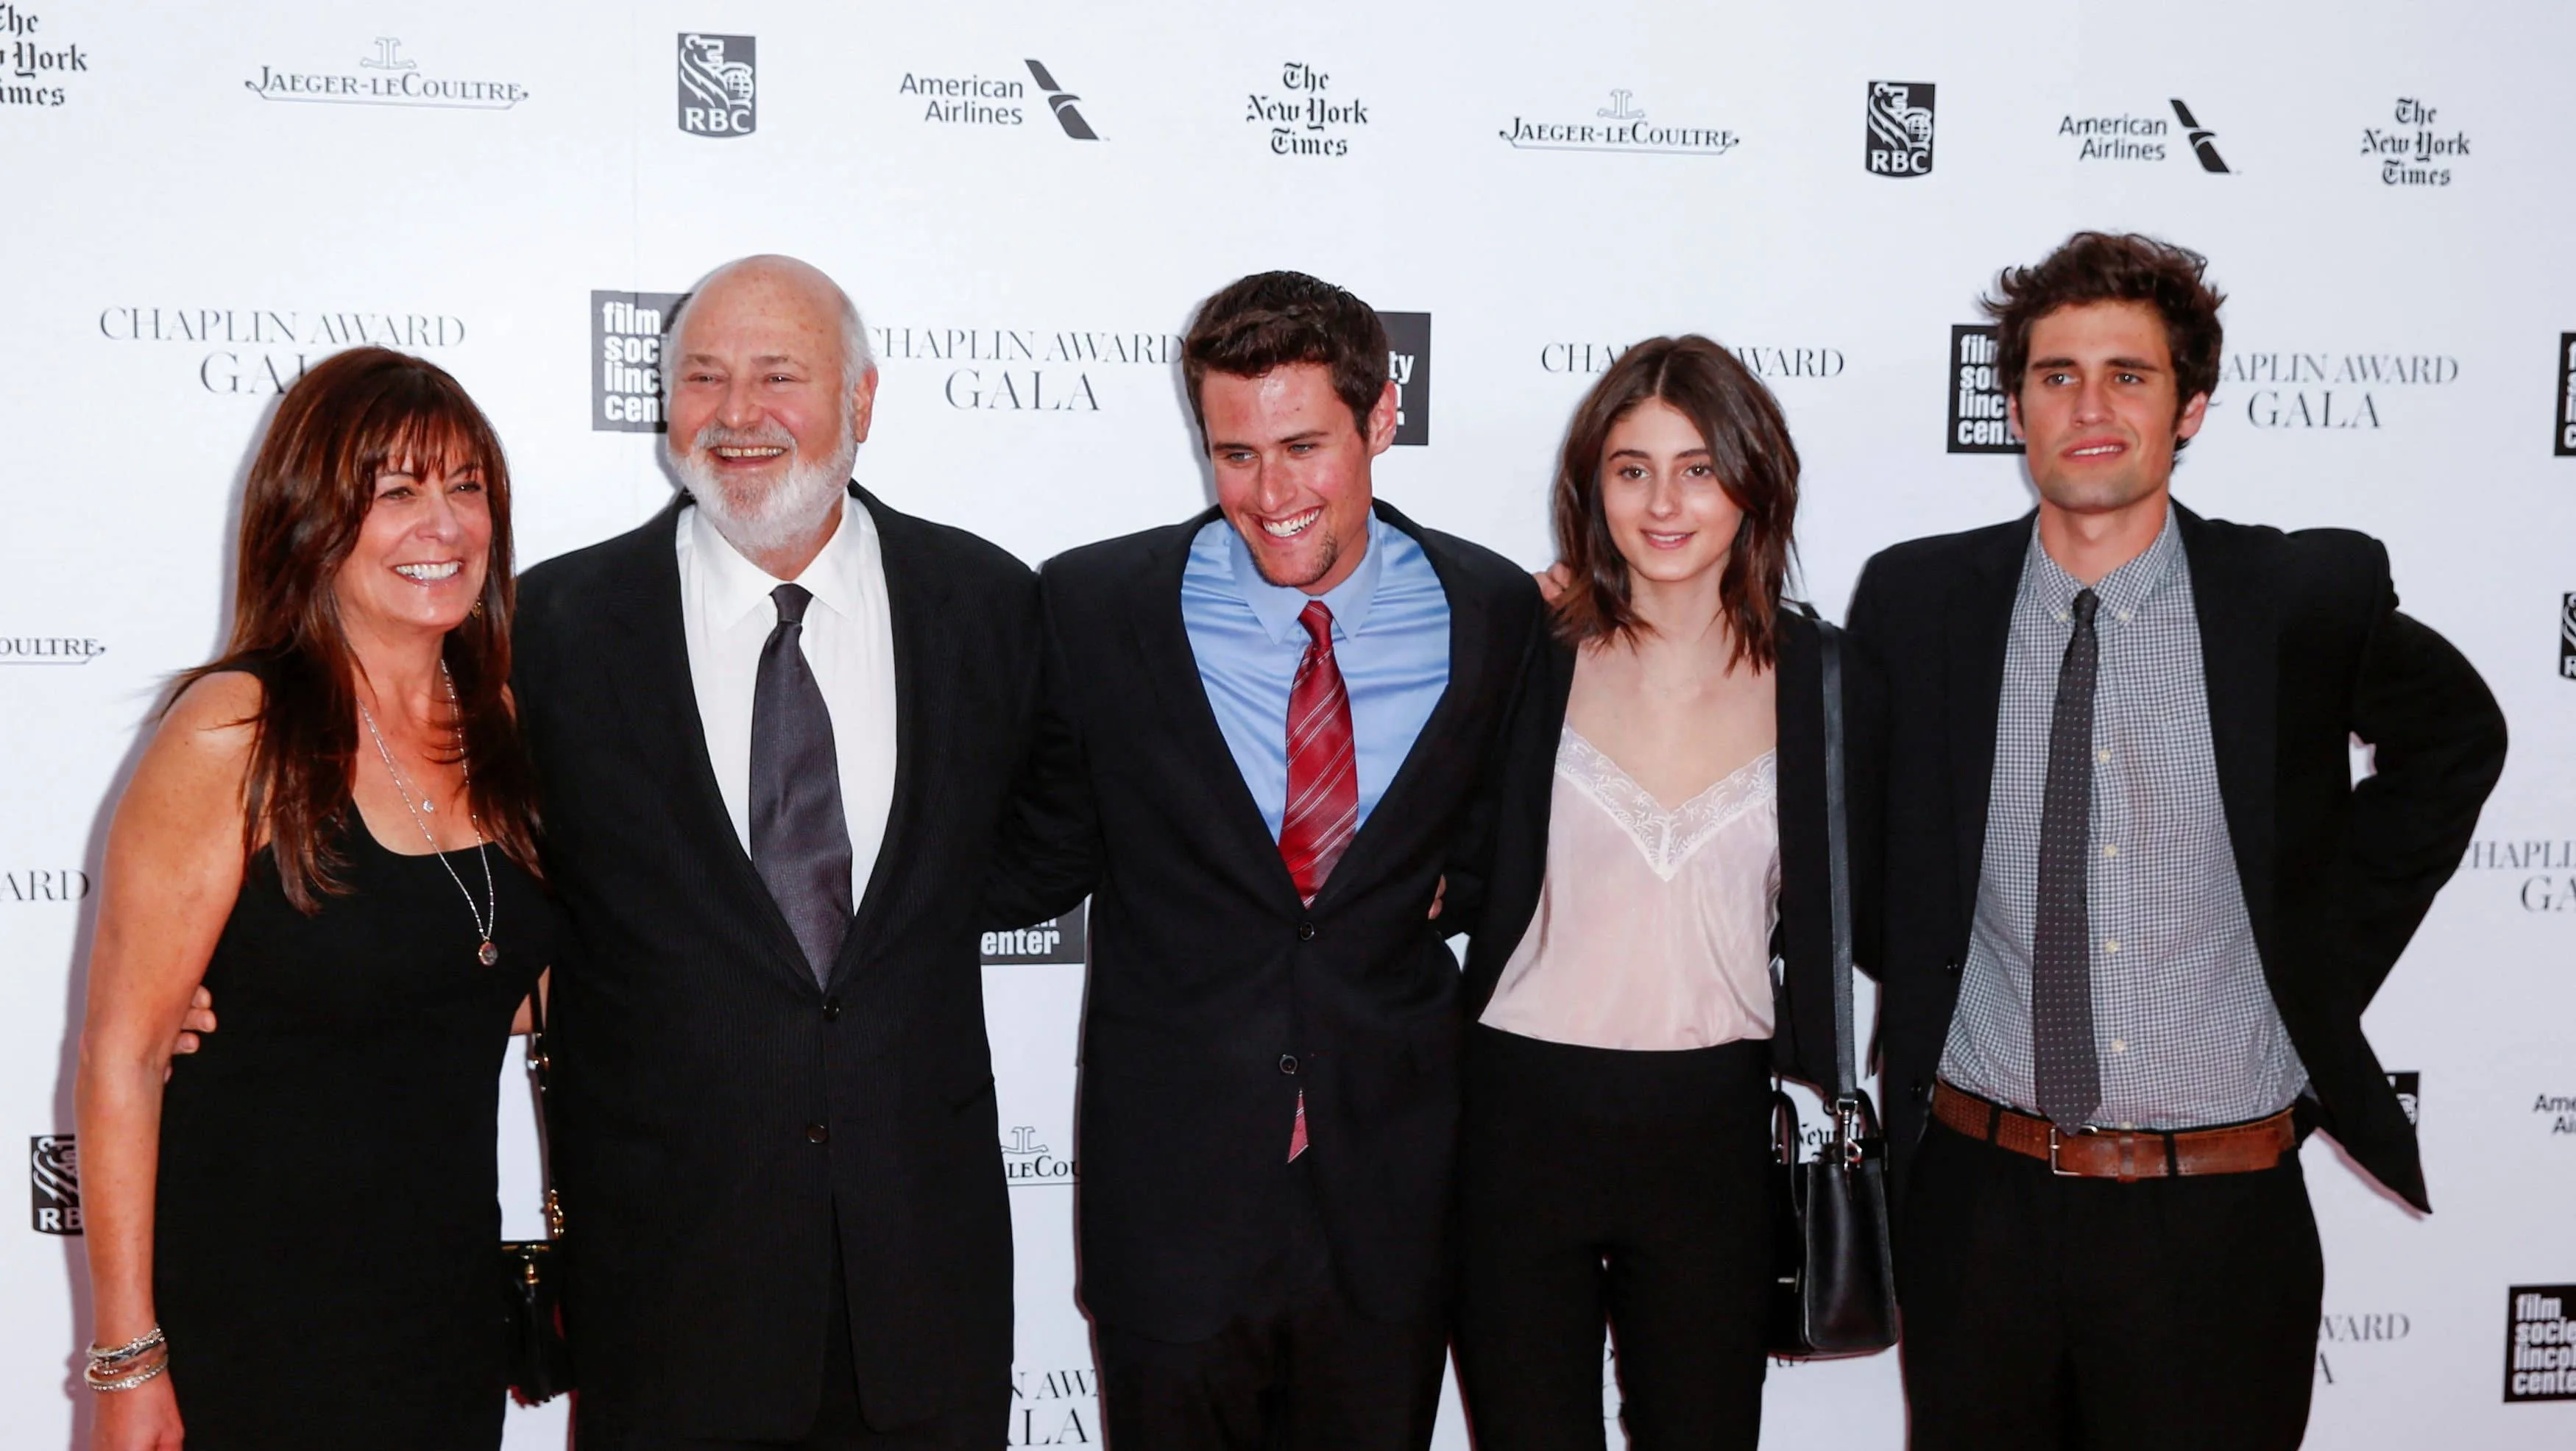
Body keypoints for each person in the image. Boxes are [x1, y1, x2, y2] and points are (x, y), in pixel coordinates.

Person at [1847, 232, 2507, 1450]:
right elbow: (1870, 857)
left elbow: (2459, 744)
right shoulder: (1918, 603)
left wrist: (2308, 946)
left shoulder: (2293, 599)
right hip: (1977, 1210)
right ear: (2014, 407)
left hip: (2217, 1223)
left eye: (2129, 375)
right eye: (2056, 376)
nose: (2089, 406)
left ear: (2190, 405)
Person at [988, 271, 1544, 1450]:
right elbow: (1036, 854)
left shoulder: (1492, 610)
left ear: (1382, 418)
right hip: (1173, 1200)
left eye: (1304, 446)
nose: (1271, 493)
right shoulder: (1094, 607)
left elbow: (1514, 853)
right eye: (1234, 454)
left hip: (1390, 1197)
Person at [510, 255, 1037, 1450]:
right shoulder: (555, 626)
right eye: (702, 377)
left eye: (777, 376)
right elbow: (478, 871)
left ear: (861, 401)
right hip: (669, 1275)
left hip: (923, 1274)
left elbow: (1039, 848)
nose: (737, 415)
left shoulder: (988, 604)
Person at [75, 346, 559, 1450]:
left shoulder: (502, 724)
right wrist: (127, 1356)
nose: (442, 525)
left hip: (441, 1314)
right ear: (312, 519)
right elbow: (123, 1055)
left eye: (466, 487)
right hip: (255, 1321)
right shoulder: (236, 730)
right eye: (395, 493)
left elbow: (498, 981)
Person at [1454, 336, 1883, 1450]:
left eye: (1698, 467)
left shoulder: (1828, 682)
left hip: (1712, 1129)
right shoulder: (1523, 651)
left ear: (1755, 478)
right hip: (1515, 1116)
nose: (1664, 502)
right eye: (1631, 468)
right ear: (1592, 488)